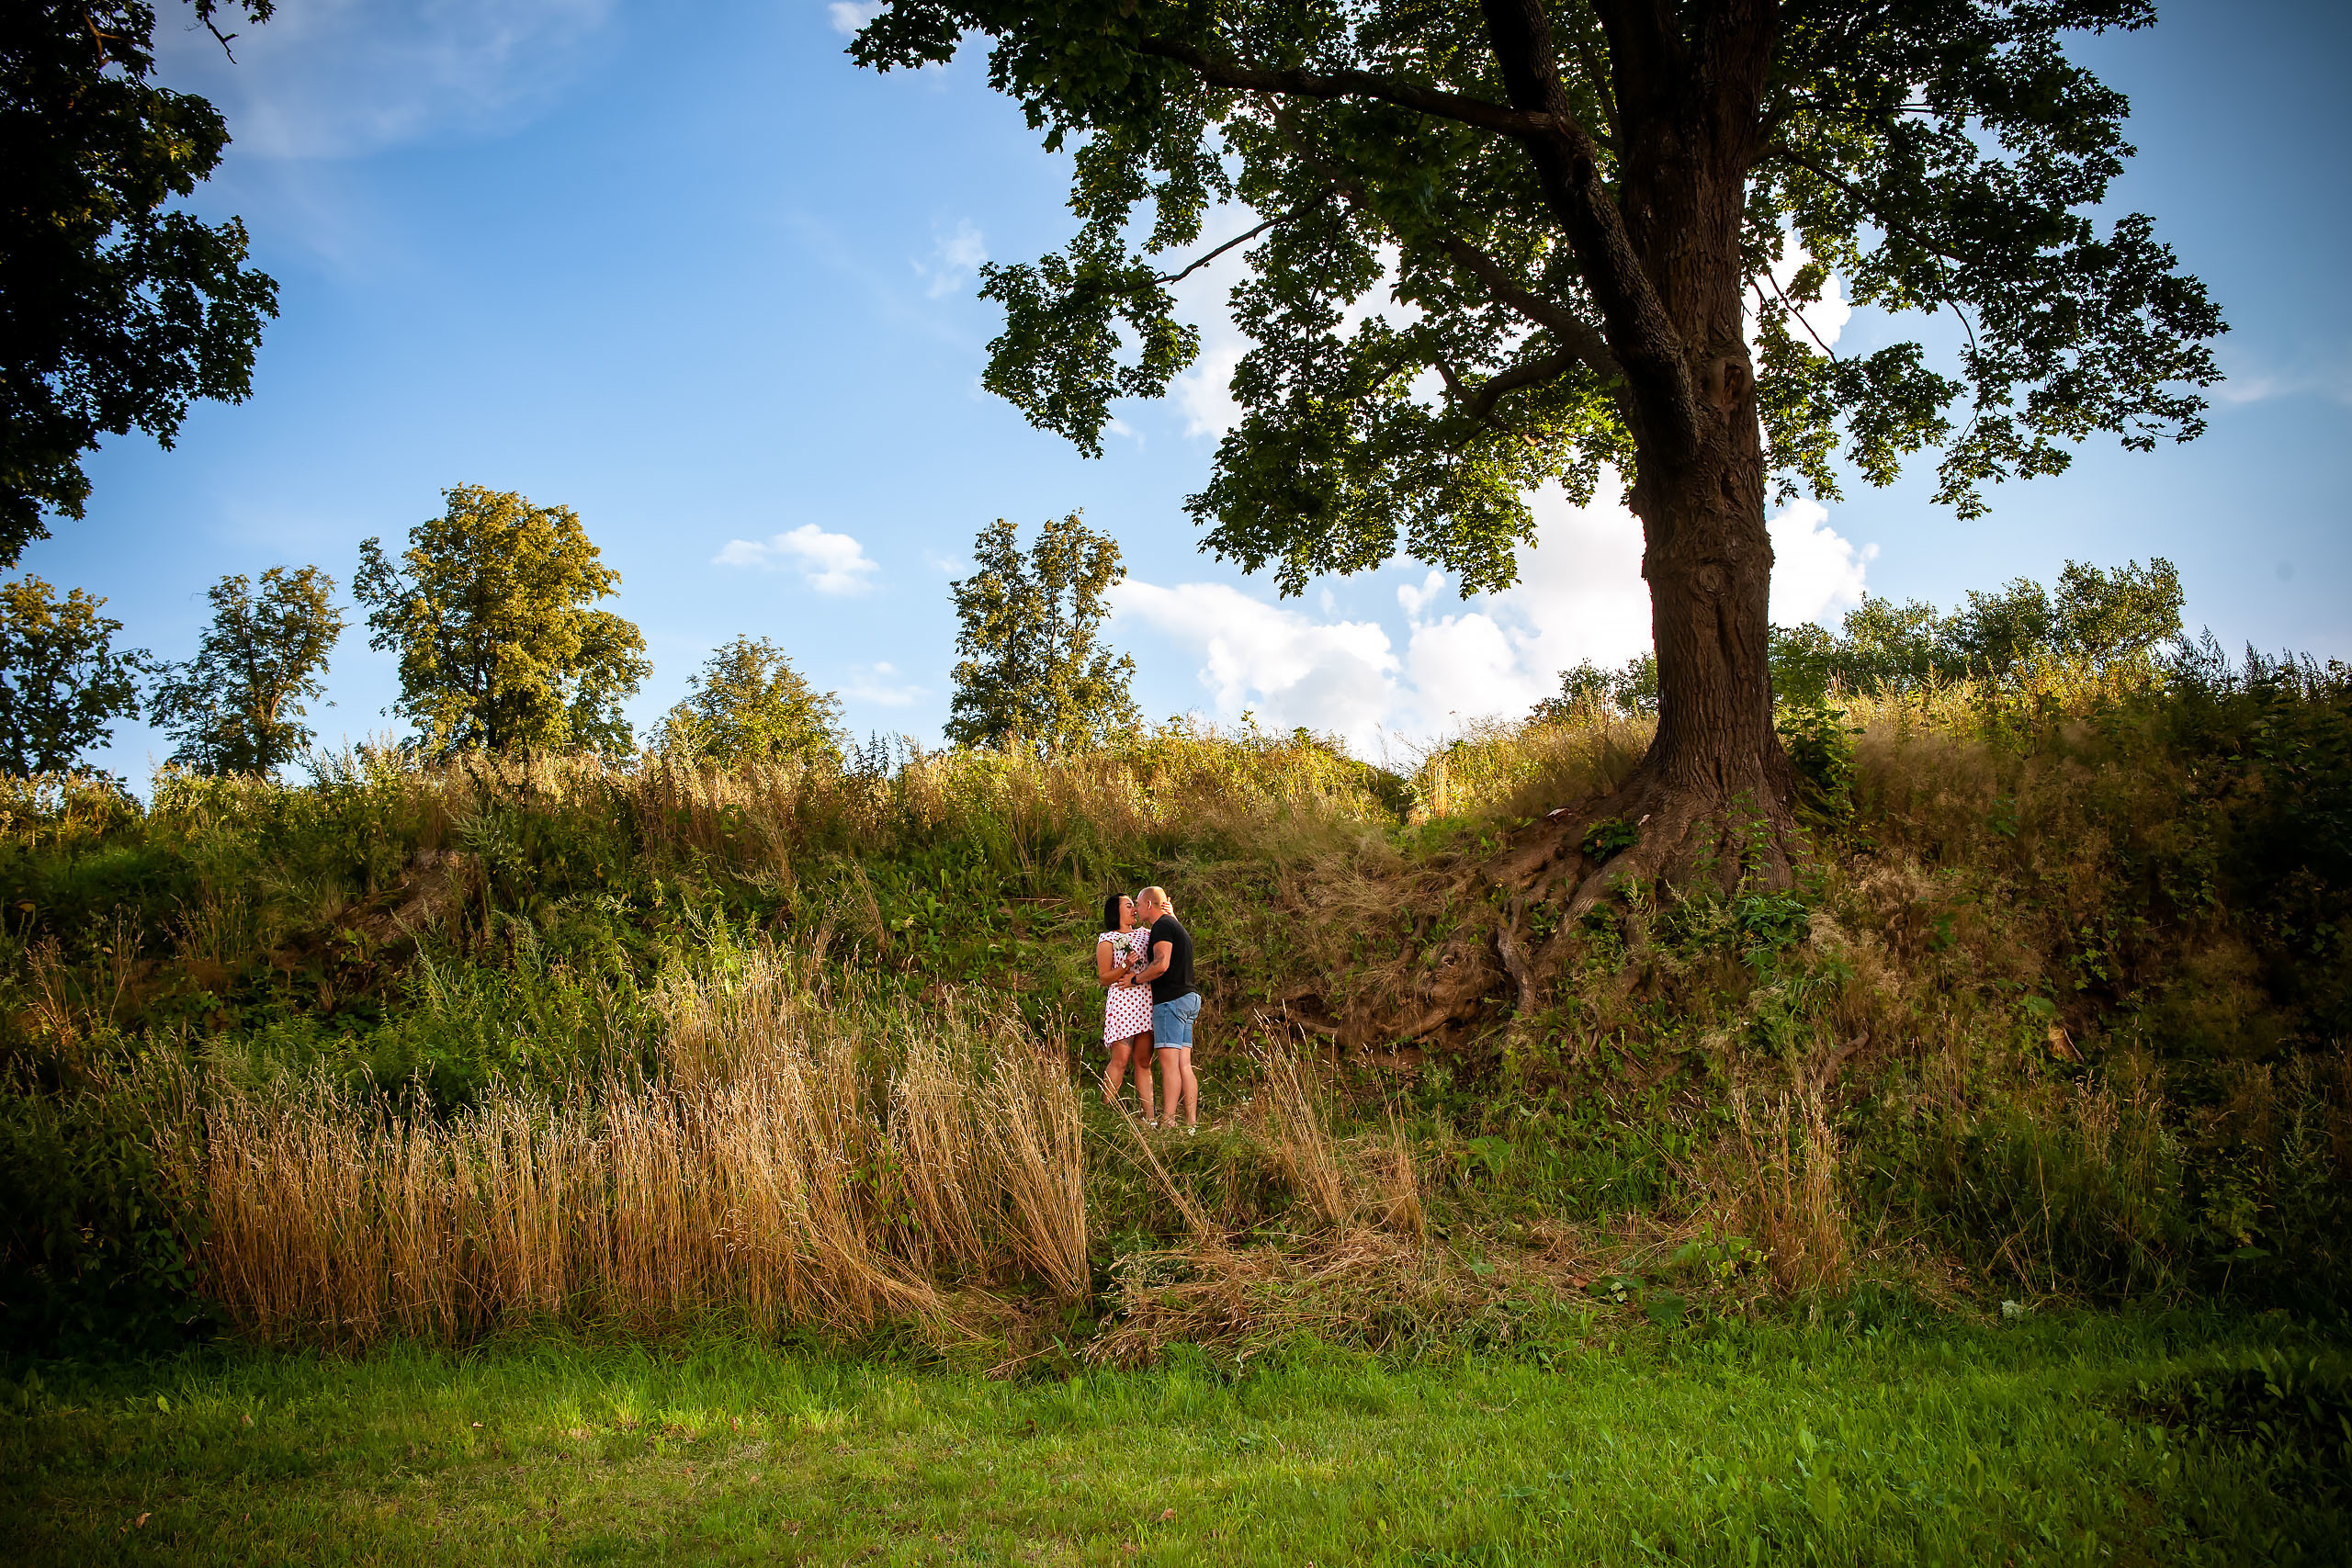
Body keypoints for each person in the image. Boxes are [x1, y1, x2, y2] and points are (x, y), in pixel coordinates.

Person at [1130, 886, 1201, 1133]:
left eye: (1138, 904)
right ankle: (1191, 1123)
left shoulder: (1161, 926)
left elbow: (1161, 964)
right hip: (1189, 998)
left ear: (1150, 905)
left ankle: (1168, 1121)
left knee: (1169, 1064)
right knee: (1184, 1064)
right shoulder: (1174, 925)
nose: (1136, 909)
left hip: (1172, 1001)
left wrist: (1135, 979)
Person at [1094, 892, 1155, 1117]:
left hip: (1146, 1001)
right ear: (1116, 911)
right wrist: (1124, 966)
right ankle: (1105, 1111)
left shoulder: (1146, 934)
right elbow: (1104, 978)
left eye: (1133, 905)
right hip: (1122, 1004)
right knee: (1120, 1060)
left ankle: (1150, 1117)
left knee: (1144, 1061)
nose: (1134, 910)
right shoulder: (1108, 940)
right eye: (1128, 906)